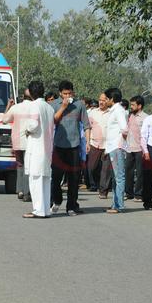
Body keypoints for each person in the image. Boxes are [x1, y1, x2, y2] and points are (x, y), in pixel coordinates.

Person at [50, 80, 91, 215]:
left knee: (73, 178)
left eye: (69, 93)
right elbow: (53, 121)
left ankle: (71, 206)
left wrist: (88, 143)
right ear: (60, 93)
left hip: (74, 146)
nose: (67, 96)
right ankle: (56, 199)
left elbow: (86, 125)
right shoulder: (54, 105)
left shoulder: (79, 105)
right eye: (65, 93)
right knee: (56, 178)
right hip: (58, 145)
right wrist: (62, 107)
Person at [22, 81, 55, 218]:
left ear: (30, 92)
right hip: (47, 147)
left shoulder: (34, 106)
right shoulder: (49, 107)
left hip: (37, 146)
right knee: (45, 179)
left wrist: (27, 130)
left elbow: (34, 124)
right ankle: (45, 209)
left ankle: (38, 210)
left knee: (35, 179)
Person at [2, 89, 32, 202]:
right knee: (28, 167)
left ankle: (19, 190)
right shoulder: (35, 107)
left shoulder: (16, 108)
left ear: (22, 97)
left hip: (17, 141)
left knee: (20, 165)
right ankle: (26, 191)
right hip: (30, 141)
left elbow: (4, 120)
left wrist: (8, 106)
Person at [104, 88, 129, 214]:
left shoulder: (118, 110)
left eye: (107, 99)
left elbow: (124, 129)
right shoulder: (114, 110)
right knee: (115, 177)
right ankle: (115, 203)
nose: (105, 101)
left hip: (117, 147)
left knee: (119, 177)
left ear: (111, 99)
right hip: (113, 147)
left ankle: (119, 205)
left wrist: (121, 144)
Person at [86, 92, 112, 197]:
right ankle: (97, 183)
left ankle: (103, 191)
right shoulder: (92, 113)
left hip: (108, 144)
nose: (101, 102)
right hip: (94, 143)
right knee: (91, 167)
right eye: (100, 100)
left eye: (104, 100)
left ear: (109, 101)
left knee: (106, 169)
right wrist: (87, 142)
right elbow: (87, 128)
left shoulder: (112, 113)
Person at [125, 95, 146, 201]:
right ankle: (128, 193)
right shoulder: (129, 116)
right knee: (128, 171)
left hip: (140, 149)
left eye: (133, 105)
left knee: (140, 172)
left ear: (139, 105)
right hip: (129, 148)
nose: (131, 107)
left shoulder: (146, 118)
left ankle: (138, 194)